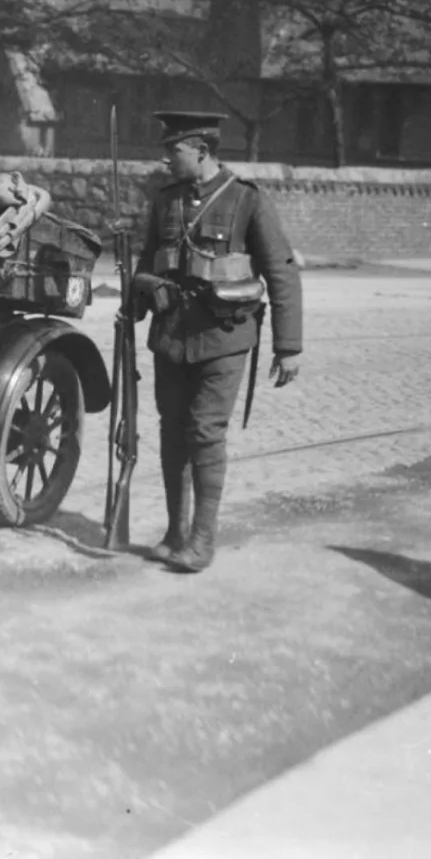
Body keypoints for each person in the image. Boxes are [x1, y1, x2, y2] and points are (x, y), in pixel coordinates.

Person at [130, 111, 303, 573]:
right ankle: (174, 532)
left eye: (175, 151)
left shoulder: (247, 201)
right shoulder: (165, 200)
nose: (166, 158)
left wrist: (288, 346)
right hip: (171, 336)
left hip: (223, 337)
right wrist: (141, 297)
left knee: (204, 432)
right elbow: (148, 259)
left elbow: (281, 271)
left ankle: (202, 541)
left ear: (202, 151)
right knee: (171, 432)